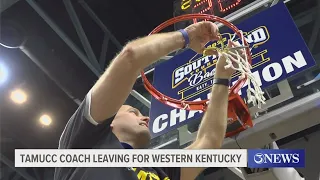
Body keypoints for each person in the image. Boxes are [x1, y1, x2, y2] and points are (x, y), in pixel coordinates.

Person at [54, 21, 241, 180]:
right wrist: (187, 36)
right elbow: (131, 57)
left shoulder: (158, 168)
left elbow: (209, 142)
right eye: (133, 112)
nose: (146, 118)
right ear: (109, 123)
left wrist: (222, 78)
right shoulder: (85, 142)